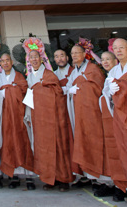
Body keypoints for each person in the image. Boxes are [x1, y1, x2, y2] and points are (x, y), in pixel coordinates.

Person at [24, 49, 73, 191]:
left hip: (52, 117)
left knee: (57, 146)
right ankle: (49, 178)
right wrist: (27, 115)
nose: (34, 60)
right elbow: (29, 97)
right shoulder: (29, 77)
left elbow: (57, 93)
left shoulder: (49, 75)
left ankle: (62, 179)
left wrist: (39, 90)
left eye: (36, 57)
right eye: (31, 58)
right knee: (42, 148)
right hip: (37, 118)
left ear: (41, 59)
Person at [65, 44, 105, 180]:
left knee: (93, 140)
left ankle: (100, 178)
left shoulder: (92, 69)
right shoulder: (74, 71)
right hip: (78, 111)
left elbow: (98, 87)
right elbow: (70, 87)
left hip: (91, 113)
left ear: (84, 54)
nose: (74, 55)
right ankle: (87, 176)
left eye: (77, 53)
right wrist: (70, 90)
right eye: (72, 53)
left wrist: (80, 88)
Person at [0, 53, 34, 188]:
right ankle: (14, 176)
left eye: (7, 60)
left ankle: (29, 177)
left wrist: (10, 90)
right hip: (5, 116)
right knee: (9, 144)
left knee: (24, 143)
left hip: (19, 116)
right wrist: (2, 93)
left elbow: (26, 92)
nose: (5, 63)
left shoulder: (19, 76)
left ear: (12, 62)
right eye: (3, 61)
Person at [102, 38, 127, 202]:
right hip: (119, 117)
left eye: (122, 48)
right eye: (115, 48)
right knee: (121, 149)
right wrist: (110, 91)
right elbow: (105, 93)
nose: (118, 51)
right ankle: (122, 186)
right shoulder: (113, 71)